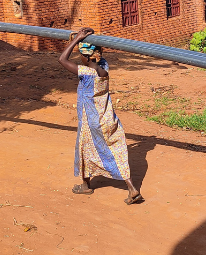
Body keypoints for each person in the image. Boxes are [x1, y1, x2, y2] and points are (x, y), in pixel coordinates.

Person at [58, 27, 143, 205]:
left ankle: (85, 185)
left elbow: (62, 59)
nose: (79, 59)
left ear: (87, 57)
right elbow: (96, 58)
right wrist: (88, 40)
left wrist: (76, 39)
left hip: (91, 121)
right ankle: (132, 188)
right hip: (108, 118)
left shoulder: (86, 73)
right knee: (116, 151)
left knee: (84, 149)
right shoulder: (104, 68)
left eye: (81, 55)